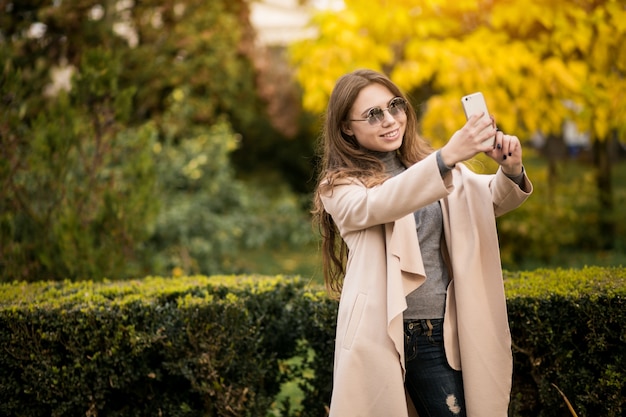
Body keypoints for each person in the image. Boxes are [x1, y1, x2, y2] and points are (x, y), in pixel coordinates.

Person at [312, 69, 533, 417]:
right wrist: (445, 157)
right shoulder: (340, 185)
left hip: (449, 326)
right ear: (346, 128)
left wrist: (511, 170)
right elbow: (380, 203)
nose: (389, 120)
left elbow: (486, 202)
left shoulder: (427, 166)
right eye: (373, 114)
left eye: (394, 106)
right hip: (399, 332)